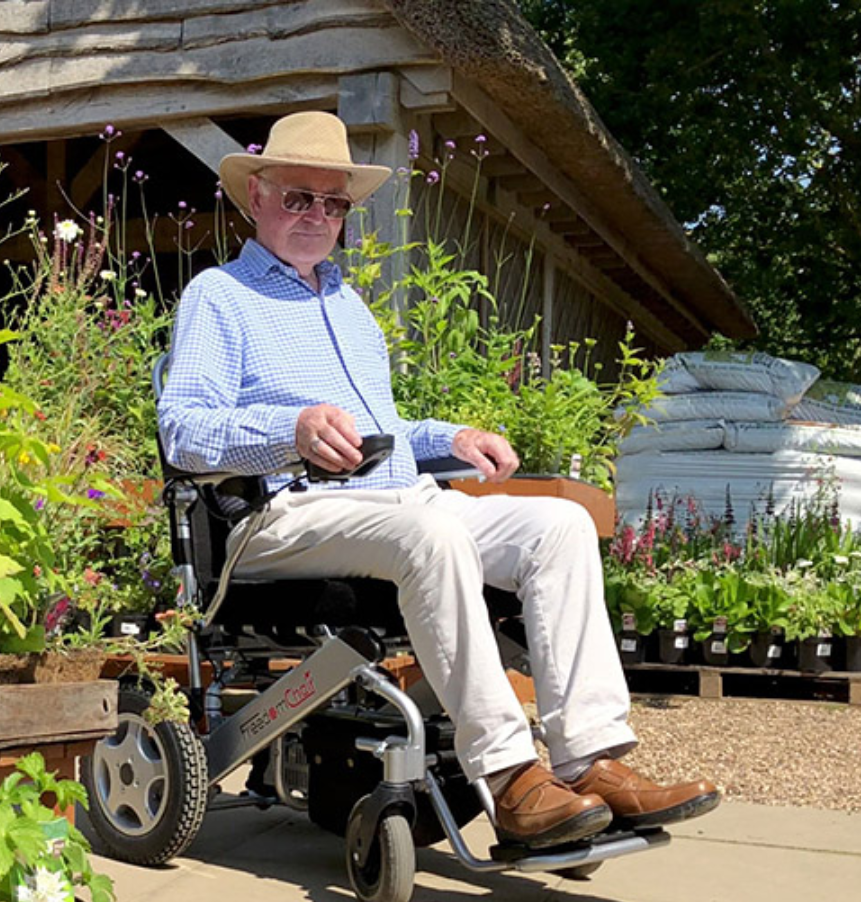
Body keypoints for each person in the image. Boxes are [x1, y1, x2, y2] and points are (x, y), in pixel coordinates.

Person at [158, 111, 719, 849]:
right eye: (300, 198)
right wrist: (287, 431)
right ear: (256, 196)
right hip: (280, 517)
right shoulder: (219, 297)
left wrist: (449, 438)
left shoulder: (349, 309)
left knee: (560, 526)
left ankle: (592, 761)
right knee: (430, 529)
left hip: (391, 505)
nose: (317, 217)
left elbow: (380, 430)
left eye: (334, 204)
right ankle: (511, 777)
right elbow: (184, 430)